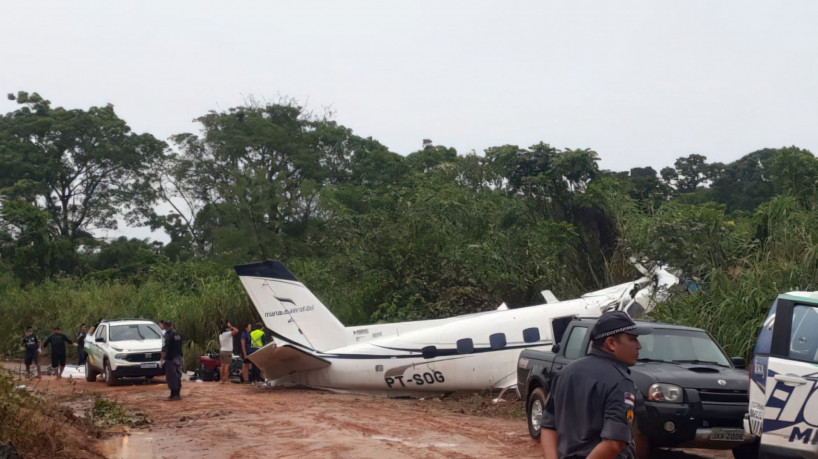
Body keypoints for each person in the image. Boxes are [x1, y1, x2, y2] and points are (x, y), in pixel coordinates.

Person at [541, 311, 651, 459]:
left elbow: (548, 425)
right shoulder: (620, 382)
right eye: (632, 339)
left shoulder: (565, 373)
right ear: (611, 343)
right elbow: (614, 443)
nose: (639, 346)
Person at [160, 321, 183, 400]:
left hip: (170, 358)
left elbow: (165, 347)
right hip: (178, 357)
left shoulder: (167, 335)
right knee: (178, 375)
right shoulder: (177, 334)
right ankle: (177, 394)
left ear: (165, 326)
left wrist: (162, 358)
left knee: (171, 376)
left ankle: (173, 395)